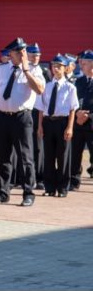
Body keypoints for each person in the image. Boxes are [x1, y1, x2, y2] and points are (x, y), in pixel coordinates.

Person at [0, 38, 45, 207]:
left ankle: (28, 193)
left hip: (22, 117)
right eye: (13, 52)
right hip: (2, 116)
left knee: (25, 157)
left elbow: (40, 90)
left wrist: (27, 71)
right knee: (3, 156)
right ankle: (3, 192)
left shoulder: (34, 69)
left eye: (20, 52)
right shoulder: (1, 70)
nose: (15, 55)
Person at [37, 55, 78, 197]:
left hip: (62, 122)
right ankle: (49, 187)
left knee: (63, 156)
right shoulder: (47, 86)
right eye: (53, 66)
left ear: (65, 68)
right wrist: (40, 126)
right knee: (48, 156)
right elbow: (41, 108)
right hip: (48, 122)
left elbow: (73, 108)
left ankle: (62, 188)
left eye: (59, 66)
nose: (55, 69)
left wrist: (70, 127)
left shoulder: (70, 87)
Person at [27, 43, 50, 191]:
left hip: (38, 112)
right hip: (24, 110)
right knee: (24, 146)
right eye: (33, 54)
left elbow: (45, 95)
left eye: (38, 55)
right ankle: (25, 177)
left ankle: (40, 177)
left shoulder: (44, 72)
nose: (36, 57)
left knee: (38, 147)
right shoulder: (23, 69)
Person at [70, 50, 93, 189]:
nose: (81, 66)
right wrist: (78, 113)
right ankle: (74, 181)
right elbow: (72, 102)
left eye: (84, 64)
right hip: (78, 124)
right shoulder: (78, 82)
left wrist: (88, 116)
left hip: (91, 124)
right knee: (75, 154)